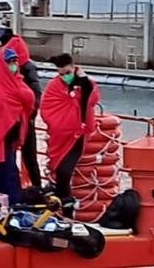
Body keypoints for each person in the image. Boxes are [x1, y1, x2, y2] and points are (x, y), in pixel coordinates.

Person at [0, 48, 36, 203]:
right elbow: (1, 102)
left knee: (6, 169)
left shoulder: (17, 79)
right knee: (6, 170)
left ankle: (7, 201)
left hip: (12, 132)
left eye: (15, 61)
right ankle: (11, 202)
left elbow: (29, 99)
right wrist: (19, 101)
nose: (13, 65)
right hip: (0, 132)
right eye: (10, 61)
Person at [41, 53, 100, 199]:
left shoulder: (85, 84)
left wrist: (83, 81)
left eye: (67, 73)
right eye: (61, 74)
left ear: (74, 68)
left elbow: (91, 100)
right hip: (60, 136)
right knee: (60, 170)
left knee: (65, 171)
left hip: (77, 135)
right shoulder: (53, 86)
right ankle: (63, 202)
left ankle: (65, 202)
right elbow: (47, 108)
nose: (64, 76)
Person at [0, 30, 44, 189]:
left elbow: (35, 93)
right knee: (24, 157)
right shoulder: (23, 66)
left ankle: (34, 187)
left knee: (25, 157)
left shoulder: (21, 67)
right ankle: (32, 187)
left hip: (23, 118)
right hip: (18, 118)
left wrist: (29, 114)